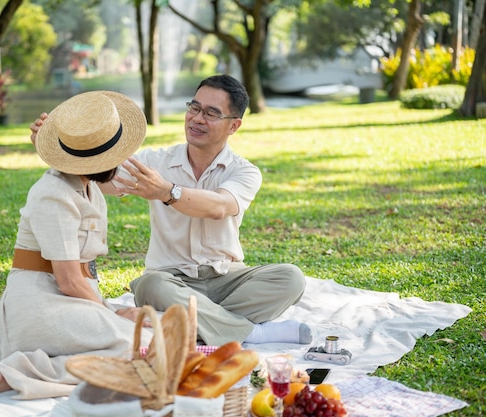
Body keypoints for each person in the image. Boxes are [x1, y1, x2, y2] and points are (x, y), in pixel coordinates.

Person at [30, 75, 310, 348]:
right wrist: (59, 149)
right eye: (194, 107)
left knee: (290, 278)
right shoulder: (155, 162)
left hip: (226, 279)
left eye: (211, 113)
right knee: (149, 285)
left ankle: (189, 323)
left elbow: (219, 207)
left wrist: (167, 192)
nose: (197, 118)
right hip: (170, 281)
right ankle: (250, 333)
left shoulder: (244, 171)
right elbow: (98, 176)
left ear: (233, 125)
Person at [0, 91, 152, 400]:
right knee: (139, 348)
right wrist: (112, 313)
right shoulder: (53, 194)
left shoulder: (86, 182)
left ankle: (47, 362)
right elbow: (69, 280)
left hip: (72, 301)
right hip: (40, 306)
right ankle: (26, 370)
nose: (122, 160)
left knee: (153, 337)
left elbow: (121, 184)